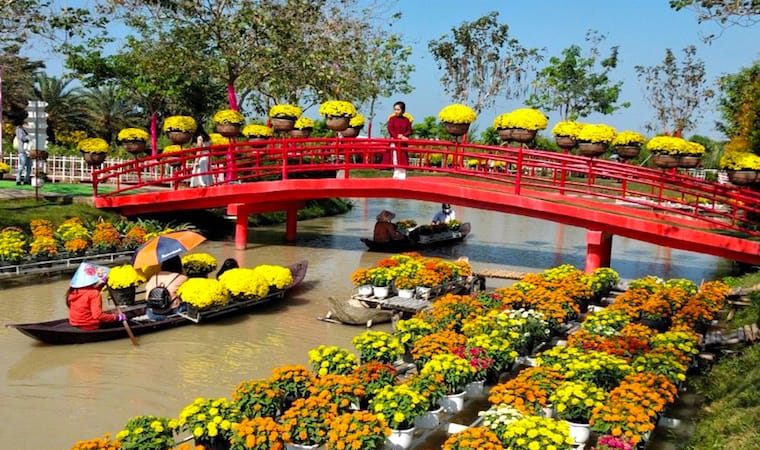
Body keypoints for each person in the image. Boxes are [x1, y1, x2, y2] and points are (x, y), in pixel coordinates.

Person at [66, 262, 125, 330]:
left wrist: (102, 284)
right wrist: (116, 317)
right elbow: (98, 315)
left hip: (74, 322)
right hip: (89, 325)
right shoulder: (94, 293)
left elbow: (89, 292)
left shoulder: (74, 291)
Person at [144, 255, 189, 321]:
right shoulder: (182, 278)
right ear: (179, 265)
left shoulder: (154, 277)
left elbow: (146, 297)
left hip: (152, 313)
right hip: (173, 312)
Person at [385, 101, 413, 180]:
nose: (396, 111)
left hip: (403, 142)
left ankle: (403, 175)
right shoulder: (392, 119)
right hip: (394, 141)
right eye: (395, 109)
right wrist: (398, 136)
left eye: (398, 109)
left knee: (403, 158)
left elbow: (410, 130)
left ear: (403, 110)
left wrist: (404, 136)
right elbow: (390, 130)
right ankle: (396, 175)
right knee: (395, 158)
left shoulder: (406, 120)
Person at [14, 120, 31, 185]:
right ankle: (18, 180)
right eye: (27, 125)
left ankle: (26, 180)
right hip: (22, 151)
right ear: (24, 124)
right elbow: (22, 138)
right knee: (22, 165)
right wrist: (29, 137)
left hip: (30, 151)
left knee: (29, 166)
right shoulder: (19, 130)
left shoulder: (28, 131)